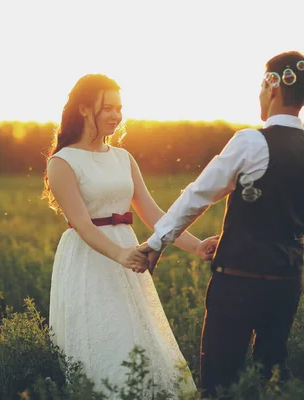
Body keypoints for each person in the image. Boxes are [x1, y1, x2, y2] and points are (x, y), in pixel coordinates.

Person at [137, 50, 304, 398]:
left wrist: (155, 244)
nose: (260, 92)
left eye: (262, 84)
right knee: (268, 378)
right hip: (287, 283)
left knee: (219, 381)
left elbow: (198, 196)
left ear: (273, 86)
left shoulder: (251, 141)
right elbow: (286, 212)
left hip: (239, 282)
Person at [43, 73, 218, 398]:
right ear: (83, 109)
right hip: (89, 260)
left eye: (119, 108)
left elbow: (153, 214)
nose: (115, 115)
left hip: (128, 255)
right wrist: (121, 254)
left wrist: (196, 246)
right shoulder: (62, 161)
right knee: (104, 340)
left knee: (139, 335)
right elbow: (82, 224)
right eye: (107, 107)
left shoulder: (123, 158)